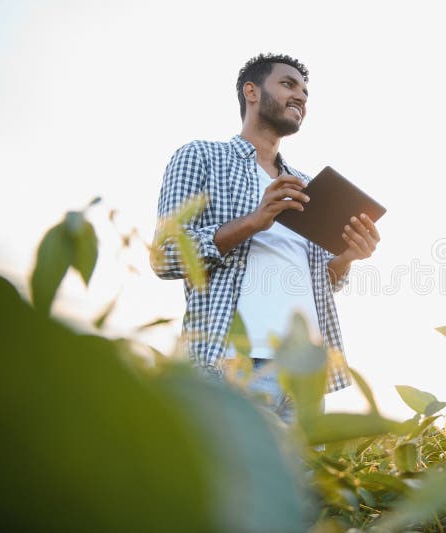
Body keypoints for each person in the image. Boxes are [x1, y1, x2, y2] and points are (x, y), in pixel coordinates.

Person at [150, 53, 380, 423]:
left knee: (300, 484)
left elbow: (321, 280)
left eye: (305, 91)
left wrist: (348, 256)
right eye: (288, 84)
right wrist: (255, 221)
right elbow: (165, 256)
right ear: (251, 92)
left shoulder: (306, 186)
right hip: (230, 362)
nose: (301, 97)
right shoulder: (201, 157)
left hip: (305, 376)